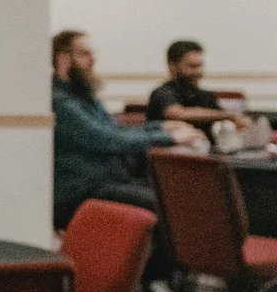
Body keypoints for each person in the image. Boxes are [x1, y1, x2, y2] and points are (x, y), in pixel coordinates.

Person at [52, 29, 201, 233]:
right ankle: (160, 265)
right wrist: (169, 137)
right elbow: (106, 139)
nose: (93, 59)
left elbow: (113, 128)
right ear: (63, 58)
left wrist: (160, 126)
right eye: (84, 54)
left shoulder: (80, 94)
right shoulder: (60, 101)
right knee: (165, 206)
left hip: (104, 183)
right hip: (81, 191)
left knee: (173, 195)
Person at [146, 40, 244, 127]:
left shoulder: (206, 96)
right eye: (192, 66)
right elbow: (178, 113)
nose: (198, 71)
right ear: (172, 65)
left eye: (200, 66)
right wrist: (228, 115)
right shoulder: (162, 93)